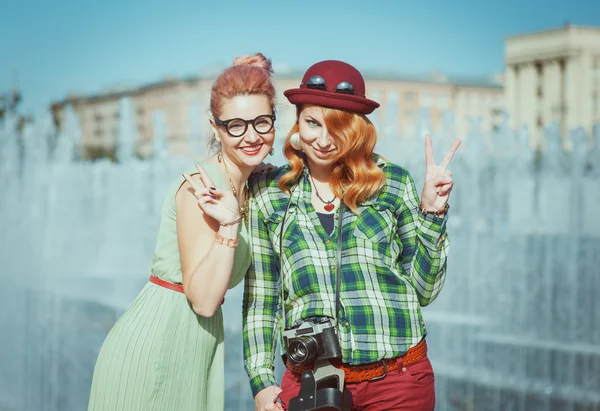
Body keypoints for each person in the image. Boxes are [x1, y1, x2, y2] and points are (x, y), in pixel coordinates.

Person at [243, 60, 461, 411]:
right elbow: (262, 298)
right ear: (297, 123)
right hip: (310, 383)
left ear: (358, 129)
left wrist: (432, 214)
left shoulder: (392, 182)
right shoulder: (269, 193)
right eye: (312, 122)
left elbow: (424, 292)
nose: (324, 140)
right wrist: (260, 379)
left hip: (398, 383)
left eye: (338, 127)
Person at [88, 52, 277, 411]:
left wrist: (260, 73)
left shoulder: (250, 182)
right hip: (157, 345)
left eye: (262, 122)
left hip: (194, 344)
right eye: (235, 125)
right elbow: (204, 300)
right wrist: (230, 225)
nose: (251, 136)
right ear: (215, 126)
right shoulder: (200, 188)